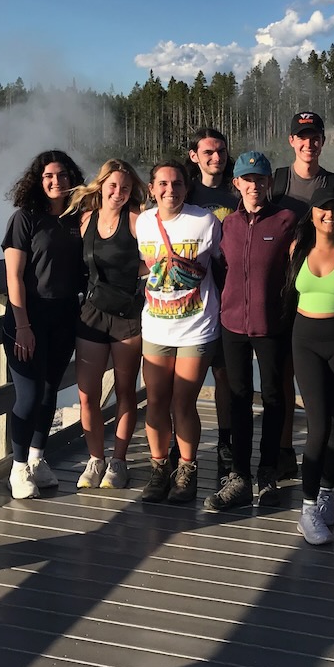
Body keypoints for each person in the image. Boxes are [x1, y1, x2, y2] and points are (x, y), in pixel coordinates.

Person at [205, 152, 298, 511]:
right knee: (238, 399)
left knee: (274, 399)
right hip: (232, 323)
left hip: (271, 324)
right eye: (248, 179)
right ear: (237, 184)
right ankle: (240, 476)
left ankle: (268, 473)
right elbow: (217, 266)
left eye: (261, 179)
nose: (255, 185)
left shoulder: (286, 220)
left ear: (268, 183)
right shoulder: (228, 225)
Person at [136, 160, 223, 504]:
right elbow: (141, 263)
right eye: (163, 184)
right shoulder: (143, 222)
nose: (170, 190)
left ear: (187, 188)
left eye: (177, 184)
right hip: (156, 324)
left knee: (183, 401)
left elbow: (222, 260)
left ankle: (186, 469)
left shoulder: (204, 220)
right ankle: (159, 469)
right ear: (152, 189)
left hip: (196, 325)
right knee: (155, 402)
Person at [0, 150, 85, 500]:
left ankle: (37, 459)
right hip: (28, 317)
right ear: (38, 180)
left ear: (72, 179)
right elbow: (14, 276)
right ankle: (18, 468)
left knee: (51, 390)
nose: (55, 181)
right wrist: (23, 325)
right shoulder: (25, 218)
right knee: (29, 395)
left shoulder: (76, 218)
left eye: (62, 175)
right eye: (48, 176)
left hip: (64, 314)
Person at [271, 111, 334, 479]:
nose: (309, 143)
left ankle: (322, 456)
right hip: (281, 289)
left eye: (315, 136)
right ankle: (285, 449)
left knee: (325, 391)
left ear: (322, 141)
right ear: (291, 141)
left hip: (322, 292)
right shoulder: (278, 181)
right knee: (284, 375)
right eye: (302, 136)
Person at [286, 186, 334, 545]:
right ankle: (307, 509)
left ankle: (325, 494)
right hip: (306, 342)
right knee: (317, 424)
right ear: (313, 213)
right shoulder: (297, 248)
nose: (330, 215)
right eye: (323, 209)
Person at [66, 159, 148, 491]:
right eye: (112, 186)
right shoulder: (85, 220)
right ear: (100, 186)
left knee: (126, 392)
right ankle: (96, 458)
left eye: (124, 188)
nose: (118, 192)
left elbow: (153, 259)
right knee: (88, 394)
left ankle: (119, 461)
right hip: (91, 314)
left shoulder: (137, 221)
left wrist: (145, 274)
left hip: (127, 315)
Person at [185, 127, 239, 481]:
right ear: (194, 156)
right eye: (208, 152)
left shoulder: (238, 189)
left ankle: (225, 445)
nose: (216, 158)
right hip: (192, 299)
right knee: (185, 380)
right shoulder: (184, 191)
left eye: (221, 151)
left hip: (232, 294)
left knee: (225, 377)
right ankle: (181, 449)